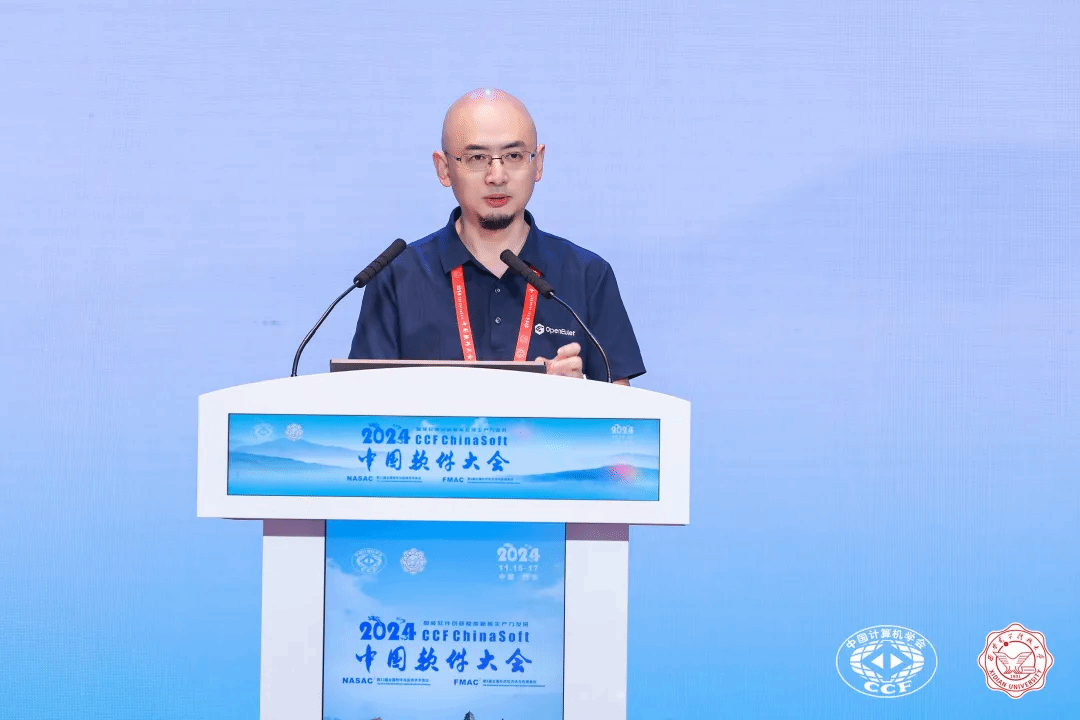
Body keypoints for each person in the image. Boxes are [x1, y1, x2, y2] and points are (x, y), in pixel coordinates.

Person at [349, 88, 645, 384]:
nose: (497, 176)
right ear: (444, 169)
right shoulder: (397, 276)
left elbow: (623, 408)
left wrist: (580, 394)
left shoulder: (588, 275)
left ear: (538, 162)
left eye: (514, 155)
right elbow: (363, 399)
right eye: (477, 157)